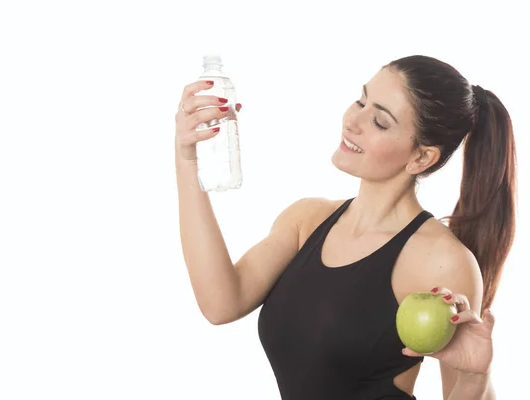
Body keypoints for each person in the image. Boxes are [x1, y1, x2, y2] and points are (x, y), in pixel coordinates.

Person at [174, 55, 516, 399]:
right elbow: (221, 303)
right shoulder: (305, 220)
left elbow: (462, 388)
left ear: (421, 158)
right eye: (361, 100)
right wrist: (188, 157)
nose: (353, 121)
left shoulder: (441, 260)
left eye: (380, 121)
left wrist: (475, 378)